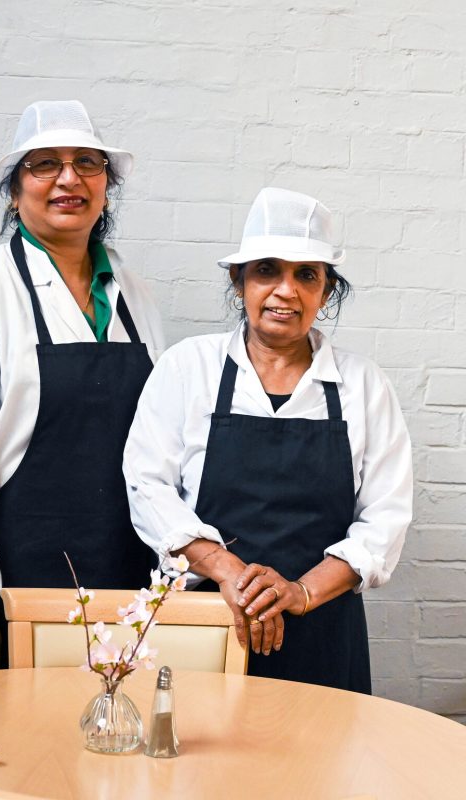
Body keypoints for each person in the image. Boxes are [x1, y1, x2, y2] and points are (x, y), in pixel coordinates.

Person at [123, 187, 412, 693]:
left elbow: (385, 519)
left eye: (306, 275)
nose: (285, 291)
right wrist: (230, 573)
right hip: (206, 626)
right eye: (266, 271)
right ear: (239, 282)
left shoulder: (363, 385)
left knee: (320, 769)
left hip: (323, 629)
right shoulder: (188, 367)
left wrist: (299, 592)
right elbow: (147, 485)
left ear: (326, 290)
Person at [0, 100, 164, 672]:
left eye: (87, 163)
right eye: (44, 164)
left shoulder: (133, 294)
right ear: (14, 190)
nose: (69, 179)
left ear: (107, 186)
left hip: (125, 572)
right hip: (17, 581)